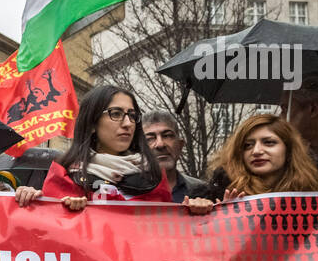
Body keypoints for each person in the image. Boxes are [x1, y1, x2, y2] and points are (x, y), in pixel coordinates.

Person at [13, 86, 210, 213]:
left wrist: (195, 215)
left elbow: (167, 236)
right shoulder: (63, 177)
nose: (127, 123)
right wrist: (29, 202)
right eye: (116, 114)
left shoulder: (154, 179)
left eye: (132, 115)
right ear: (91, 123)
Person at [198, 113, 318, 202]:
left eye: (269, 142)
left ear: (288, 150)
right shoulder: (220, 194)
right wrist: (207, 213)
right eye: (247, 145)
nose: (256, 151)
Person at [142, 110, 207, 202]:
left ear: (180, 145)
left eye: (167, 136)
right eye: (149, 139)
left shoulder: (203, 192)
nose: (160, 144)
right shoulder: (125, 193)